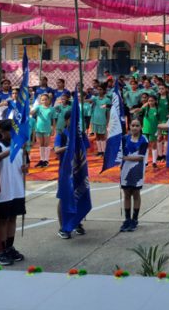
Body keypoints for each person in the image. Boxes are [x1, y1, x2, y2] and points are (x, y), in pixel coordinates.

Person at [0, 120, 27, 266]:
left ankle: (9, 247)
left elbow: (25, 165)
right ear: (2, 132)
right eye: (9, 131)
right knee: (3, 220)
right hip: (3, 191)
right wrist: (12, 149)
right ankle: (0, 251)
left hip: (17, 189)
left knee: (13, 218)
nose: (12, 134)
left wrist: (26, 167)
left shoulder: (20, 147)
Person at [53, 111, 86, 239]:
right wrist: (69, 147)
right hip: (65, 171)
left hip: (78, 170)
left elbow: (85, 149)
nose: (74, 123)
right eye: (72, 120)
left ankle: (76, 222)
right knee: (64, 198)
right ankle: (63, 227)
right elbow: (56, 150)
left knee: (78, 195)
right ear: (66, 121)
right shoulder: (61, 135)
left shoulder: (80, 134)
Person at [119, 119, 149, 232]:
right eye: (132, 125)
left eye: (137, 125)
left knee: (136, 193)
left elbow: (140, 157)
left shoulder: (144, 139)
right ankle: (127, 219)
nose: (134, 127)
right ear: (129, 127)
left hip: (137, 170)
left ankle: (135, 219)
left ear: (141, 127)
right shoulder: (124, 139)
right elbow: (119, 151)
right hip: (125, 170)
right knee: (126, 194)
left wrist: (125, 158)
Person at [87, 85, 111, 157]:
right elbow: (89, 101)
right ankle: (99, 151)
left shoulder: (107, 100)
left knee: (102, 136)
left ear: (104, 90)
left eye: (101, 89)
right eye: (98, 89)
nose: (99, 91)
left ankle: (103, 151)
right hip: (95, 120)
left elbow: (108, 112)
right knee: (97, 136)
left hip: (102, 120)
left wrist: (107, 121)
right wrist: (81, 98)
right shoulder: (95, 98)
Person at [32, 93, 54, 168]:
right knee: (41, 144)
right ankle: (42, 160)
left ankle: (46, 160)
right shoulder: (38, 107)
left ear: (49, 100)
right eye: (42, 100)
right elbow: (32, 112)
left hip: (47, 128)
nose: (44, 101)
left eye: (45, 99)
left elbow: (53, 120)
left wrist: (53, 129)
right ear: (40, 101)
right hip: (38, 128)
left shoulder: (51, 109)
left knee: (46, 144)